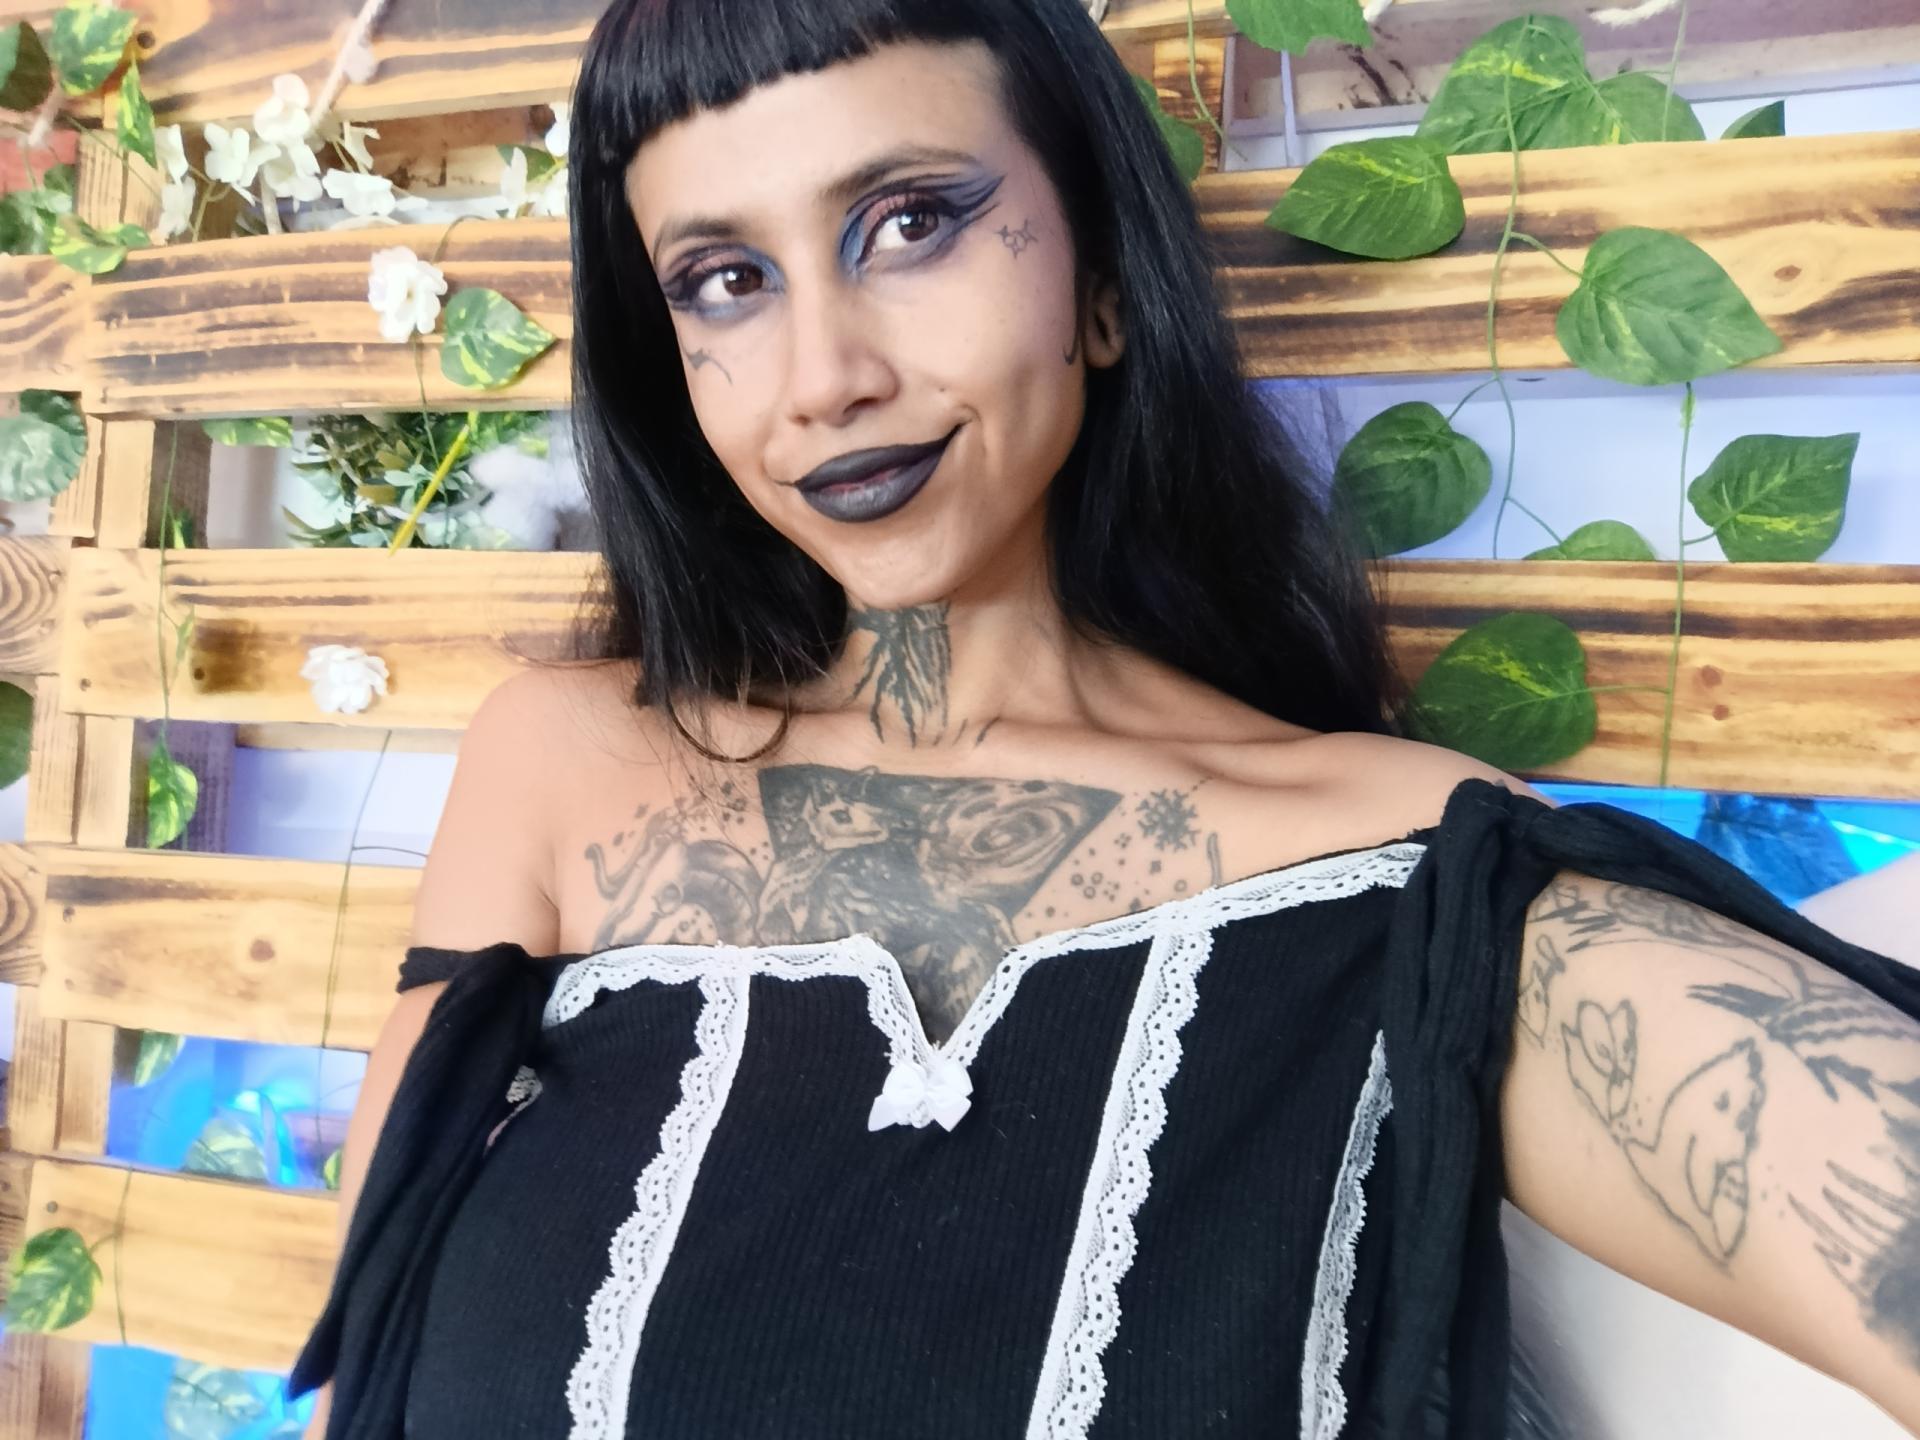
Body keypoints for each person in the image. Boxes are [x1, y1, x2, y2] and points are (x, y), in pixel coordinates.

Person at [291, 0, 1920, 1434]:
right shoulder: (561, 769)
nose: (822, 376)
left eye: (909, 223)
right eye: (725, 282)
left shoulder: (1413, 866)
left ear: (1106, 286)